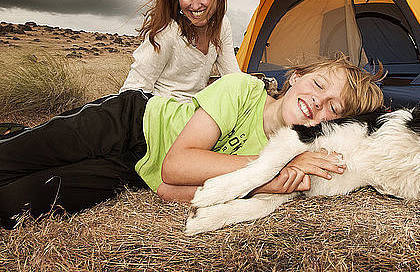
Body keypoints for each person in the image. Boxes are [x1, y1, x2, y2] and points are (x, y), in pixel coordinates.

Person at [0, 56, 384, 229]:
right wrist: (268, 169)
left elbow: (167, 188)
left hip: (133, 171)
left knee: (14, 203)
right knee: (11, 159)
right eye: (318, 84)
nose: (319, 101)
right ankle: (16, 136)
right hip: (129, 122)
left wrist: (263, 183)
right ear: (295, 76)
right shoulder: (242, 89)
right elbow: (178, 165)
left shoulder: (296, 158)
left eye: (335, 108)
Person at [120, 0, 240, 102]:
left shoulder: (222, 25)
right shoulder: (167, 30)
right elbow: (134, 89)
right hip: (162, 114)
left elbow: (233, 77)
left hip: (195, 112)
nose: (195, 5)